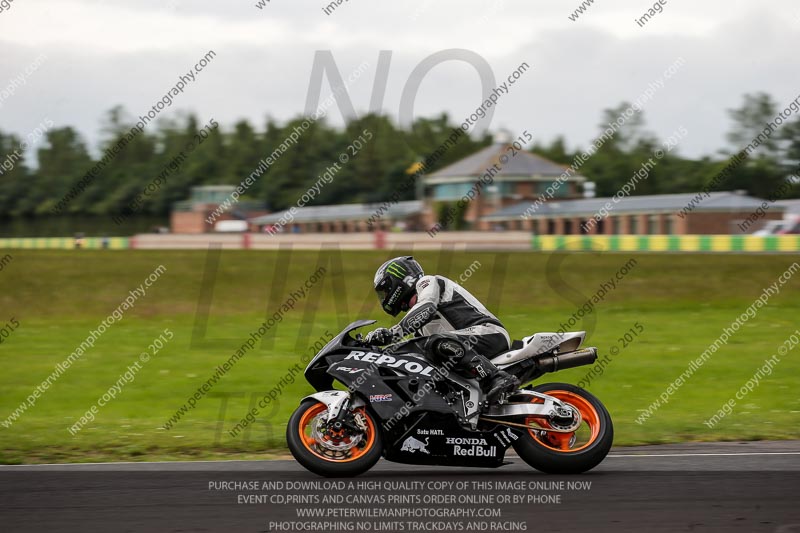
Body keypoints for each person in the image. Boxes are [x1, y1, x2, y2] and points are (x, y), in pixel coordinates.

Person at [364, 256, 519, 403]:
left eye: (385, 291)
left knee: (436, 341)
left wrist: (393, 333)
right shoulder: (420, 328)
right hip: (466, 345)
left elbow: (427, 308)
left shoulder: (428, 282)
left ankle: (495, 378)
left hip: (489, 333)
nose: (384, 298)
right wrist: (377, 352)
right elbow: (410, 349)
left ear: (397, 281)